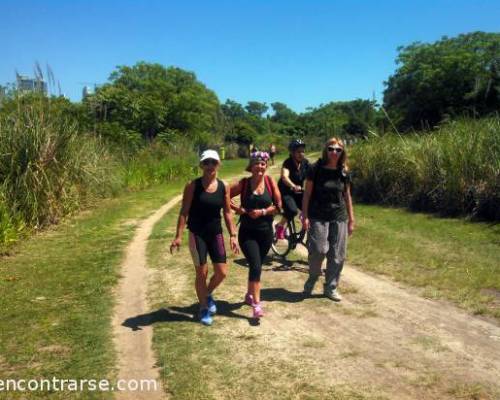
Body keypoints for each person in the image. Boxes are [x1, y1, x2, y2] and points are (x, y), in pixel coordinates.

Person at [170, 150, 239, 326]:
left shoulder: (224, 186)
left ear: (218, 164)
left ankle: (206, 294)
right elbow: (184, 212)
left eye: (213, 162)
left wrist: (233, 234)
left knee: (222, 272)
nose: (210, 166)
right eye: (206, 162)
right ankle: (203, 307)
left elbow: (228, 212)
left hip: (215, 234)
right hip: (197, 234)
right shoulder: (192, 186)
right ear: (201, 165)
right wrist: (178, 236)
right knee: (201, 272)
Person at [302, 138, 355, 301]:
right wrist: (304, 215)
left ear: (342, 152)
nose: (334, 152)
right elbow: (307, 193)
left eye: (338, 150)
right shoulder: (315, 168)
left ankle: (331, 287)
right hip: (318, 215)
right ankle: (313, 276)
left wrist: (351, 219)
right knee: (319, 249)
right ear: (326, 150)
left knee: (338, 254)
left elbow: (347, 196)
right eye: (331, 149)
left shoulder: (344, 171)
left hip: (339, 216)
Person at [230, 151, 282, 319]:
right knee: (256, 265)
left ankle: (248, 295)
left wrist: (263, 211)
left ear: (266, 166)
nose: (260, 166)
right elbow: (224, 196)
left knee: (255, 265)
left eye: (263, 164)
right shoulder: (244, 184)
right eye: (257, 163)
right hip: (247, 233)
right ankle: (257, 305)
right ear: (251, 166)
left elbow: (279, 206)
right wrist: (239, 210)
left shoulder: (269, 181)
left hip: (266, 233)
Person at [275, 139, 310, 239]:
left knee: (310, 205)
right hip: (285, 191)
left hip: (298, 192)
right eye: (298, 152)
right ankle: (280, 226)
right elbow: (284, 177)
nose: (301, 154)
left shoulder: (305, 163)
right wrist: (293, 186)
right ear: (292, 152)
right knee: (292, 210)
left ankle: (305, 221)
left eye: (303, 151)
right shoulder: (288, 163)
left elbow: (313, 175)